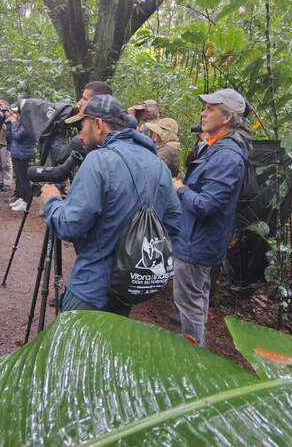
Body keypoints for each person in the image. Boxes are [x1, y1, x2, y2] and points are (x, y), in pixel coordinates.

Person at [39, 94, 181, 315]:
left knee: (72, 348)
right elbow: (173, 223)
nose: (80, 134)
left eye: (82, 125)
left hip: (91, 288)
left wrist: (52, 201)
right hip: (127, 288)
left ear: (98, 124)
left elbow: (69, 226)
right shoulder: (158, 165)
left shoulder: (98, 161)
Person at [172, 89, 251, 346]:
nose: (203, 114)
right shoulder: (216, 148)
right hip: (199, 239)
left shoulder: (227, 156)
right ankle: (193, 347)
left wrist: (180, 188)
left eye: (210, 109)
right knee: (197, 298)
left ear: (227, 117)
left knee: (189, 304)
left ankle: (191, 359)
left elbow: (208, 205)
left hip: (197, 243)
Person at [7, 107, 38, 212]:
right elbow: (11, 136)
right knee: (20, 178)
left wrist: (14, 123)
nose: (14, 114)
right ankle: (21, 198)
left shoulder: (28, 123)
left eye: (16, 112)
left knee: (24, 179)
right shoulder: (21, 122)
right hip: (17, 153)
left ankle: (26, 202)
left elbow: (18, 136)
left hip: (24, 155)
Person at [0, 100, 13, 191]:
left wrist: (3, 117)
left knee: (6, 164)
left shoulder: (10, 117)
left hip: (5, 143)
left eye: (1, 105)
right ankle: (0, 181)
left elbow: (7, 128)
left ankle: (7, 183)